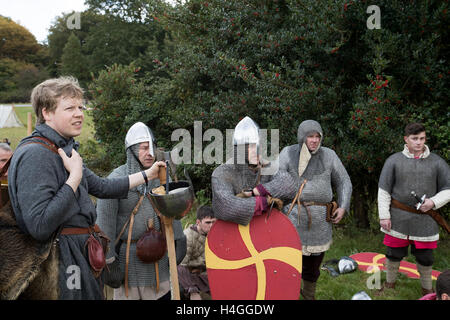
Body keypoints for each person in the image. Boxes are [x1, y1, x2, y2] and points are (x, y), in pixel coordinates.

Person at [7, 76, 166, 300]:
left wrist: (147, 175)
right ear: (47, 113)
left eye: (80, 107)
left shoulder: (63, 149)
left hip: (78, 256)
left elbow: (102, 186)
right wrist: (73, 178)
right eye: (70, 108)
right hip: (59, 264)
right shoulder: (37, 155)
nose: (79, 113)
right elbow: (40, 225)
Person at [255, 120, 352, 300]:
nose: (314, 140)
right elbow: (272, 177)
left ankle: (308, 296)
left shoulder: (329, 155)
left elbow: (343, 181)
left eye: (317, 136)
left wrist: (344, 206)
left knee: (313, 267)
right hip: (293, 217)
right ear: (302, 137)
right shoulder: (288, 154)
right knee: (288, 263)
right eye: (310, 136)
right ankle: (287, 295)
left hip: (320, 221)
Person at [96, 122, 186, 300]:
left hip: (159, 265)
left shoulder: (160, 177)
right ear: (131, 150)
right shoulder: (116, 181)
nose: (150, 153)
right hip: (129, 264)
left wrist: (178, 240)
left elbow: (171, 214)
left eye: (151, 147)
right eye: (144, 148)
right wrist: (109, 262)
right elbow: (104, 227)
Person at [378, 123, 450, 296]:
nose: (419, 142)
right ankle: (389, 285)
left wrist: (433, 202)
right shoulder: (393, 161)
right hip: (398, 217)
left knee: (425, 257)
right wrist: (384, 216)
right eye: (414, 139)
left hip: (425, 219)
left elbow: (448, 189)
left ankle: (427, 289)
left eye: (422, 138)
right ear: (406, 139)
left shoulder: (437, 162)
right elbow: (384, 191)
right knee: (393, 253)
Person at [211, 116, 277, 226]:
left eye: (258, 146)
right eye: (251, 146)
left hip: (263, 231)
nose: (256, 151)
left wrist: (263, 189)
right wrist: (258, 204)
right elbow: (226, 207)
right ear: (239, 149)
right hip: (232, 234)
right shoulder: (222, 173)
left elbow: (288, 184)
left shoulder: (267, 168)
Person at [178, 205, 216, 300]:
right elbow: (180, 266)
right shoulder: (188, 236)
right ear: (198, 222)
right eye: (207, 222)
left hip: (208, 276)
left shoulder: (215, 234)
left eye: (213, 222)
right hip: (189, 278)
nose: (211, 226)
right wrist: (192, 290)